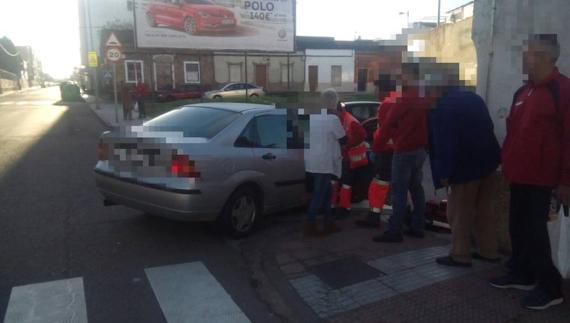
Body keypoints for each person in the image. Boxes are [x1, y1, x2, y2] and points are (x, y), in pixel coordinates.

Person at [490, 34, 569, 310]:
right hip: (519, 177)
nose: (525, 57)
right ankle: (522, 274)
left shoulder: (563, 90)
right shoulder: (522, 93)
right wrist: (507, 166)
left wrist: (565, 182)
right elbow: (513, 134)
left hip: (545, 181)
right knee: (519, 228)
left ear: (547, 56)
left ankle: (550, 288)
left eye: (530, 53)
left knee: (539, 234)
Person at [428, 80, 501, 267]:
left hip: (465, 167)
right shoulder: (474, 98)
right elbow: (489, 125)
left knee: (459, 213)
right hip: (489, 162)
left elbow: (445, 142)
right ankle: (489, 251)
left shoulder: (442, 106)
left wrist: (444, 172)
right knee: (486, 211)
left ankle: (460, 254)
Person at [372, 62, 432, 243]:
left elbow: (388, 125)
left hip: (404, 150)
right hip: (420, 150)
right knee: (416, 188)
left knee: (398, 191)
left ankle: (394, 230)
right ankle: (418, 226)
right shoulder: (425, 97)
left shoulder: (405, 98)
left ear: (409, 75)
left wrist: (377, 146)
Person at [303, 89, 347, 237]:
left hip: (312, 160)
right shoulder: (333, 119)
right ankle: (310, 225)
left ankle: (329, 222)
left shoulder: (311, 116)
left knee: (327, 193)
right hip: (324, 162)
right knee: (319, 194)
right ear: (334, 102)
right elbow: (343, 139)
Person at [355, 91, 397, 228]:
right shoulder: (402, 102)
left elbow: (384, 130)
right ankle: (403, 216)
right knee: (401, 186)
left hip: (385, 152)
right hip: (399, 150)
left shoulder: (387, 104)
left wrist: (376, 147)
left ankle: (374, 217)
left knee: (378, 185)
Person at [330, 102, 368, 219]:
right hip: (340, 157)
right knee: (335, 182)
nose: (332, 115)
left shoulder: (350, 121)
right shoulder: (341, 119)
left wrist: (346, 146)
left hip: (348, 158)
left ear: (339, 111)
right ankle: (332, 206)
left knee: (346, 183)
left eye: (333, 112)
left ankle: (344, 207)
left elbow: (362, 135)